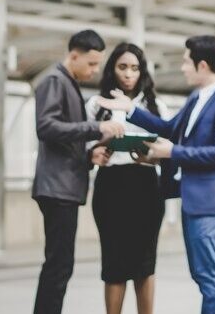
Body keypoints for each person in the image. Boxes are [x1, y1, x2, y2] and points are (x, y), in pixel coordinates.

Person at [99, 36, 215, 314]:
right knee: (202, 275)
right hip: (193, 201)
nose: (183, 68)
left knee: (210, 277)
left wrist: (172, 152)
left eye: (186, 62)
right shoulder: (197, 97)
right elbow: (170, 128)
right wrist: (130, 109)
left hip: (210, 204)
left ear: (201, 65)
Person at [32, 30, 125, 314]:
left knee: (60, 265)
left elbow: (63, 140)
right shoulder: (54, 81)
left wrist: (88, 156)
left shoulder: (67, 82)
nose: (95, 70)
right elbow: (46, 127)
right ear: (74, 55)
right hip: (57, 188)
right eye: (91, 63)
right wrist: (97, 127)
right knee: (58, 266)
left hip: (63, 186)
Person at [86, 43, 168, 314]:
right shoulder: (96, 105)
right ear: (112, 69)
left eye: (135, 68)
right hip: (110, 185)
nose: (129, 74)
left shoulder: (155, 106)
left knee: (145, 264)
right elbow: (83, 145)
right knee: (114, 263)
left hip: (146, 186)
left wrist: (152, 156)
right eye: (122, 67)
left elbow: (169, 148)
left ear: (142, 72)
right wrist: (98, 147)